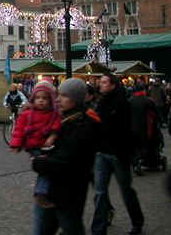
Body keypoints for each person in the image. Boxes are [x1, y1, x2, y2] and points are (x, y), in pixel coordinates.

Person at [32, 78, 101, 235]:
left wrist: (38, 163)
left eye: (63, 96)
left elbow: (66, 162)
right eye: (59, 95)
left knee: (70, 227)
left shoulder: (80, 124)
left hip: (67, 192)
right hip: (57, 190)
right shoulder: (67, 119)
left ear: (75, 99)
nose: (58, 99)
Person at [91, 74, 144, 235]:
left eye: (104, 82)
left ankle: (137, 222)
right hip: (102, 152)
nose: (101, 84)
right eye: (100, 82)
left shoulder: (122, 103)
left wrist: (128, 152)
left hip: (118, 153)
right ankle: (98, 229)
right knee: (100, 192)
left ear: (113, 85)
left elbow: (128, 129)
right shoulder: (101, 102)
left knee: (126, 190)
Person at [10, 81, 61, 208]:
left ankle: (42, 193)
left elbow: (56, 127)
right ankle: (41, 193)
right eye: (38, 98)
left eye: (44, 98)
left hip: (46, 147)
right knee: (46, 168)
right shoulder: (27, 114)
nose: (41, 101)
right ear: (33, 99)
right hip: (34, 146)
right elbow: (19, 130)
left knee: (47, 169)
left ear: (50, 100)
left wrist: (52, 136)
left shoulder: (53, 114)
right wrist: (16, 144)